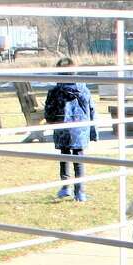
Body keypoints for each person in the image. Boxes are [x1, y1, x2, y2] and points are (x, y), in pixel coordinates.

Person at [45, 58, 97, 203]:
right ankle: (80, 192)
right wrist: (93, 131)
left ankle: (65, 187)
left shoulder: (55, 91)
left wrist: (51, 121)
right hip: (80, 130)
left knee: (64, 157)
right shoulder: (84, 89)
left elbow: (49, 112)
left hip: (62, 129)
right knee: (79, 160)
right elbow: (92, 110)